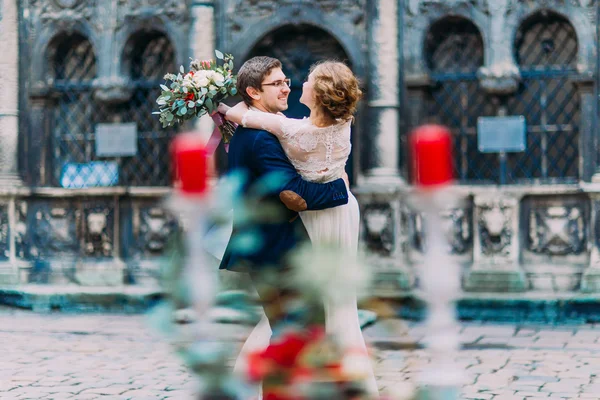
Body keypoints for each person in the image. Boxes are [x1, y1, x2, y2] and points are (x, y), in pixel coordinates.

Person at [219, 60, 379, 397]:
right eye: (276, 83)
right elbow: (297, 196)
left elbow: (255, 120)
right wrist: (341, 189)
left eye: (290, 80)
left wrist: (223, 111)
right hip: (284, 241)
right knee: (297, 326)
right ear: (252, 92)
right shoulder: (271, 137)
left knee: (299, 323)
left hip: (303, 232)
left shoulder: (277, 128)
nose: (287, 87)